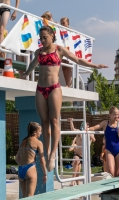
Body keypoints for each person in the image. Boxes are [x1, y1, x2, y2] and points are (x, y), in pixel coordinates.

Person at [23, 25, 108, 172]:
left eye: (45, 37)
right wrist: (25, 73)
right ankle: (47, 151)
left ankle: (53, 155)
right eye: (41, 38)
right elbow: (32, 64)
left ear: (52, 36)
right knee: (44, 122)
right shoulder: (38, 52)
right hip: (40, 88)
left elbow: (76, 59)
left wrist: (95, 65)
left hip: (54, 88)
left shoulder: (59, 50)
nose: (42, 40)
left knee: (54, 121)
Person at [15, 122, 47, 198]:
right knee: (30, 197)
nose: (41, 133)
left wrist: (22, 164)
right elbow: (42, 160)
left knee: (24, 197)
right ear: (35, 132)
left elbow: (17, 158)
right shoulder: (38, 142)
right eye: (40, 131)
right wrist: (45, 174)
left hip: (21, 170)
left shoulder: (24, 141)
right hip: (30, 169)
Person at [87, 106, 119, 177]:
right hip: (109, 150)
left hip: (118, 150)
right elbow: (96, 127)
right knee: (111, 173)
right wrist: (88, 129)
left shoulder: (118, 124)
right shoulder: (105, 123)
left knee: (117, 174)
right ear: (109, 115)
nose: (116, 116)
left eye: (117, 114)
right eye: (114, 114)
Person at [68, 118, 96, 186]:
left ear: (88, 126)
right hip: (78, 153)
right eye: (83, 125)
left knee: (82, 171)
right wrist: (71, 121)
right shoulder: (79, 132)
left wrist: (88, 132)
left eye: (85, 125)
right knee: (76, 161)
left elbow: (94, 139)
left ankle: (82, 184)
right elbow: (72, 129)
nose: (83, 126)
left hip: (85, 155)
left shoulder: (90, 133)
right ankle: (73, 180)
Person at [60, 17, 72, 87]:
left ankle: (68, 82)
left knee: (68, 66)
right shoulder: (60, 31)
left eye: (63, 23)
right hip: (63, 49)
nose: (62, 24)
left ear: (68, 23)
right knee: (64, 67)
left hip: (68, 50)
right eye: (61, 23)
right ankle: (67, 83)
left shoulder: (70, 31)